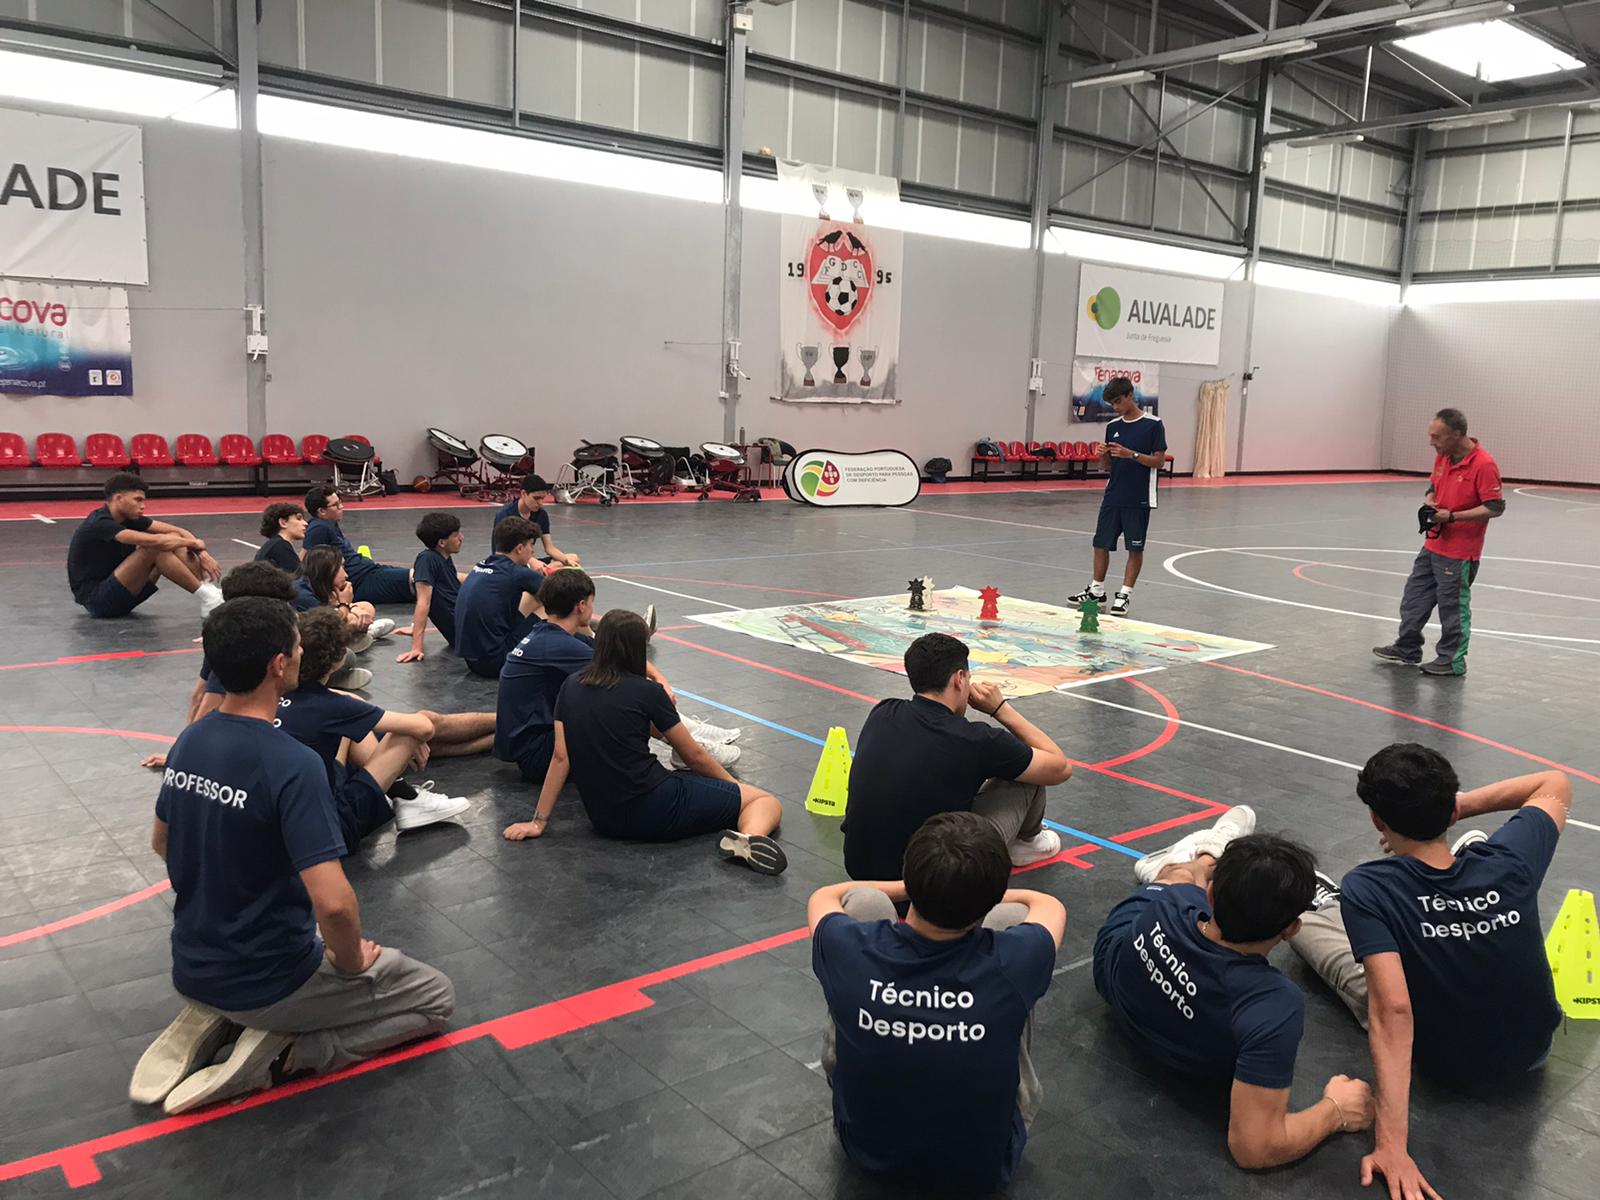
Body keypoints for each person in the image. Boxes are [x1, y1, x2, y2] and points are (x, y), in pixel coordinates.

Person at [129, 597, 454, 1115]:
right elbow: (335, 905)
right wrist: (351, 962)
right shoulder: (293, 763)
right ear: (279, 664)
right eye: (297, 646)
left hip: (191, 965)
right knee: (435, 997)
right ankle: (290, 1054)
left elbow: (162, 843)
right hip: (271, 978)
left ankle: (226, 1015)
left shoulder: (189, 742)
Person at [1288, 744, 1569, 1200]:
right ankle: (1456, 859)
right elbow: (1554, 783)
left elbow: (1393, 1012)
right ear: (1450, 808)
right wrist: (1457, 807)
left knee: (1322, 942)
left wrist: (1392, 1145)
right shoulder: (1509, 861)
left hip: (1447, 1066)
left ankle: (1321, 905)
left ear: (1378, 821)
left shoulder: (1369, 886)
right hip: (1532, 1052)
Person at [1094, 813, 1375, 1169]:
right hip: (1148, 1015)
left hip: (1112, 974)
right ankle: (1209, 852)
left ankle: (1205, 858)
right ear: (1292, 929)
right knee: (1180, 877)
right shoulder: (1270, 1003)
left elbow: (1182, 893)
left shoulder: (1173, 903)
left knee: (1178, 876)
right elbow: (1255, 1148)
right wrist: (1336, 1110)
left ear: (1210, 896)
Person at [809, 811, 1066, 1193]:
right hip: (983, 1168)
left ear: (911, 873)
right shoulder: (1016, 961)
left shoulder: (847, 947)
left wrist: (911, 886)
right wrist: (982, 892)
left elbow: (826, 895)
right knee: (1013, 921)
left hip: (866, 1151)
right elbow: (1048, 905)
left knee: (864, 903)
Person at [503, 610, 783, 874]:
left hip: (603, 818)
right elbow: (694, 757)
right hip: (656, 810)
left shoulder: (570, 686)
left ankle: (741, 833)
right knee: (763, 801)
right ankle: (748, 838)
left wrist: (538, 821)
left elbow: (561, 758)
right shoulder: (647, 692)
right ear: (638, 649)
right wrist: (733, 787)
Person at [842, 633, 1071, 882]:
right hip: (937, 882)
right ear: (959, 679)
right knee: (1028, 776)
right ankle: (1028, 843)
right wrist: (1000, 708)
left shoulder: (883, 711)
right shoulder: (977, 739)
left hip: (860, 867)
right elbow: (1060, 768)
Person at [273, 609, 495, 850]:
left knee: (364, 727)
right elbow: (424, 727)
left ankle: (403, 792)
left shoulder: (276, 694)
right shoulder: (332, 706)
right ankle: (407, 797)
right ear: (338, 660)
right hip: (331, 827)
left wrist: (350, 702)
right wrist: (414, 736)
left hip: (292, 816)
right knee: (414, 727)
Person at [494, 568, 736, 782]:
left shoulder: (547, 633)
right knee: (626, 696)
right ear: (581, 606)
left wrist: (660, 679)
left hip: (532, 746)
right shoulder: (559, 646)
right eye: (591, 603)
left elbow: (613, 653)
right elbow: (629, 677)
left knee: (615, 689)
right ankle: (688, 747)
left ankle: (689, 735)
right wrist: (659, 691)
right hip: (540, 757)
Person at [1373, 408, 1504, 677]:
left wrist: (1452, 517)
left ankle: (1452, 661)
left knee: (1452, 608)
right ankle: (1407, 647)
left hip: (1460, 552)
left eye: (1437, 437)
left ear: (1456, 434)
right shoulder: (1443, 457)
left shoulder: (1483, 464)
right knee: (1414, 598)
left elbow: (1494, 507)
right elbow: (1433, 486)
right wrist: (1430, 500)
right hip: (1433, 545)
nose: (1431, 442)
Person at [1067, 376, 1167, 616]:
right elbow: (1107, 467)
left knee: (1134, 547)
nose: (1115, 407)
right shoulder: (1112, 427)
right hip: (1113, 495)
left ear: (1130, 396)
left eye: (1118, 401)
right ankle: (1097, 591)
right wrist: (1102, 455)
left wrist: (1131, 454)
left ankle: (1124, 595)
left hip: (1139, 496)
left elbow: (1159, 461)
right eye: (1112, 404)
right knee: (1100, 543)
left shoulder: (1154, 425)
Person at [66, 473, 223, 619]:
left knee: (173, 538)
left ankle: (209, 590)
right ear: (119, 498)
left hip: (124, 592)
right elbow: (156, 542)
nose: (143, 506)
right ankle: (208, 597)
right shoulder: (99, 523)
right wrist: (194, 543)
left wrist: (202, 553)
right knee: (155, 548)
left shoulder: (130, 518)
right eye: (138, 500)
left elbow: (180, 532)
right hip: (97, 601)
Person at [454, 516, 551, 678]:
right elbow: (562, 595)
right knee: (553, 604)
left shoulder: (482, 565)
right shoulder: (518, 573)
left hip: (473, 661)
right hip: (499, 662)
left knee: (535, 594)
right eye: (531, 545)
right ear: (520, 548)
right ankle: (591, 640)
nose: (533, 551)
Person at [301, 484, 416, 607]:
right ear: (322, 511)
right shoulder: (319, 527)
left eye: (340, 502)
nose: (341, 507)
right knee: (418, 580)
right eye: (335, 505)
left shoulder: (329, 523)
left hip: (370, 571)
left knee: (417, 575)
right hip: (362, 581)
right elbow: (304, 560)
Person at [294, 546, 395, 651]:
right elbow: (328, 623)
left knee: (366, 607)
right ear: (328, 569)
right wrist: (345, 603)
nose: (346, 575)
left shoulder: (318, 583)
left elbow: (332, 608)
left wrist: (354, 608)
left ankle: (359, 633)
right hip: (305, 635)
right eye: (340, 567)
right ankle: (353, 637)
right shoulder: (302, 594)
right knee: (352, 621)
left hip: (321, 623)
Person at [398, 512, 468, 663]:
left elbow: (452, 580)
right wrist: (417, 647)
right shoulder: (427, 559)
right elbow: (423, 603)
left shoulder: (443, 557)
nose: (461, 538)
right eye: (456, 535)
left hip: (465, 622)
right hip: (464, 631)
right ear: (442, 542)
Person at [493, 473, 579, 566]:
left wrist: (567, 561)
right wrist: (532, 561)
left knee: (573, 558)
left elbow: (549, 548)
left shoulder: (541, 514)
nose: (540, 503)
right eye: (536, 498)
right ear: (523, 494)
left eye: (542, 498)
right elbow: (503, 552)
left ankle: (544, 569)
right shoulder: (505, 515)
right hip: (509, 562)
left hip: (527, 559)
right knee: (546, 565)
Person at [254, 502, 308, 574]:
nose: (305, 523)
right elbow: (297, 577)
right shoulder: (280, 546)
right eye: (298, 519)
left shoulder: (273, 545)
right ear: (283, 522)